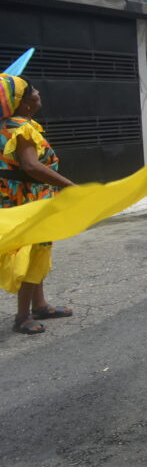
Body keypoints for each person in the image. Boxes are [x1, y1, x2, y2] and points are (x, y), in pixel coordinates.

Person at [0, 74, 76, 335]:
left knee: (39, 249)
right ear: (24, 103)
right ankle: (23, 316)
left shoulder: (6, 124)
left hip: (18, 196)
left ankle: (40, 304)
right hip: (29, 197)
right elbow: (32, 166)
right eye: (31, 91)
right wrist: (69, 185)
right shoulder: (21, 128)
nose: (38, 92)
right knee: (30, 253)